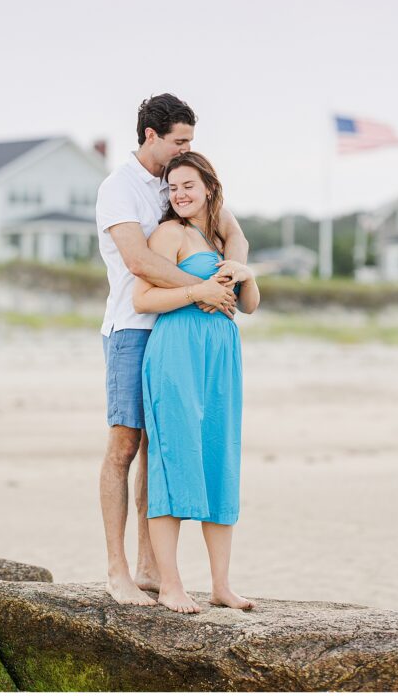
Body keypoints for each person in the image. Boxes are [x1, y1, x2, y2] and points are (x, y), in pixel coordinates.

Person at [95, 94, 249, 606]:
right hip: (132, 328)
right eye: (180, 140)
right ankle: (117, 570)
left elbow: (231, 233)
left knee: (158, 451)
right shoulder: (118, 188)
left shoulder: (176, 184)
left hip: (175, 331)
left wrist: (232, 271)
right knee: (125, 446)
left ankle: (149, 567)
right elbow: (139, 261)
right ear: (151, 136)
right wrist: (201, 290)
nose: (186, 148)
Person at [133, 151, 260, 614]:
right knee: (175, 459)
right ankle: (170, 585)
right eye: (172, 187)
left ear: (208, 185)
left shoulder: (223, 232)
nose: (179, 194)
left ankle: (221, 585)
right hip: (177, 351)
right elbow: (142, 297)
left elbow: (249, 306)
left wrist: (244, 272)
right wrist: (196, 290)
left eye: (188, 185)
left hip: (222, 355)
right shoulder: (170, 233)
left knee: (218, 458)